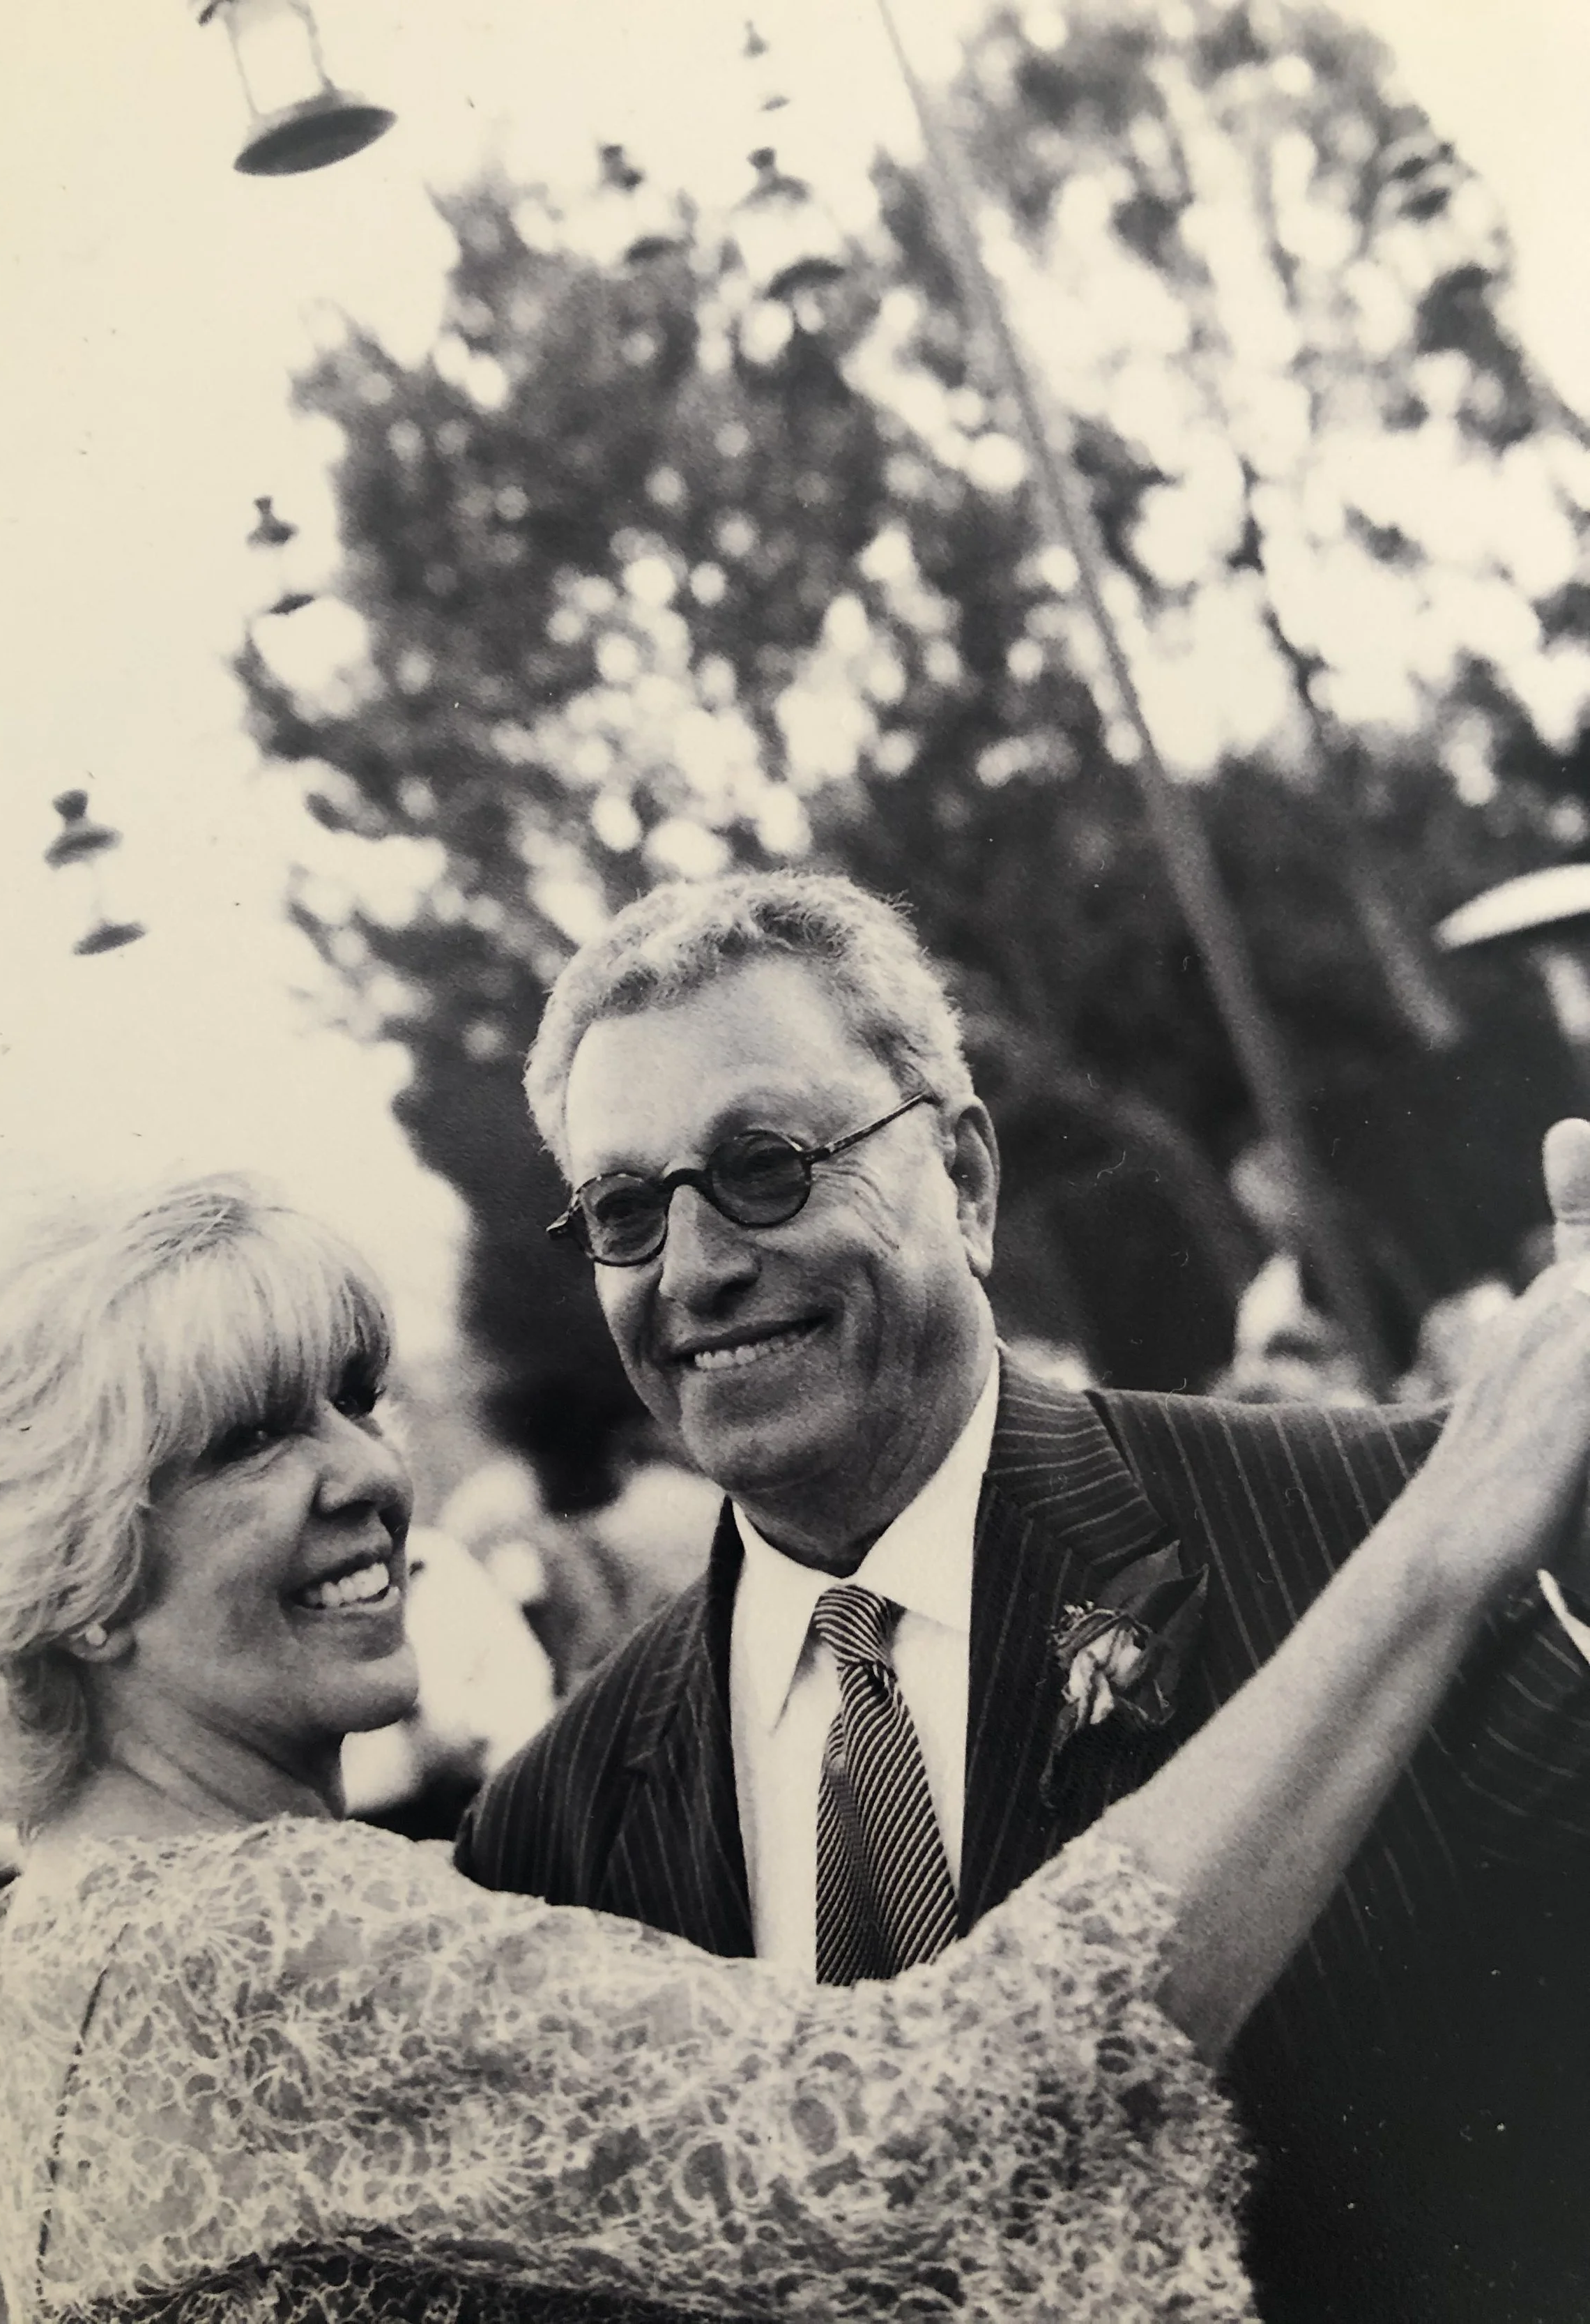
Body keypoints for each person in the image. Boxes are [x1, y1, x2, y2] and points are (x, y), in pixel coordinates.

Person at [0, 1183, 1587, 2322]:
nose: (363, 1472)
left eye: (353, 1396)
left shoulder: (66, 1959)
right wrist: (1445, 1535)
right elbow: (931, 2125)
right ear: (65, 1570)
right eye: (246, 1441)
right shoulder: (242, 1938)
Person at [458, 869, 1590, 2324]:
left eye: (766, 1165)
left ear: (968, 1181)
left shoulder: (1372, 1529)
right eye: (623, 1209)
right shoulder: (546, 1835)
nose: (697, 1266)